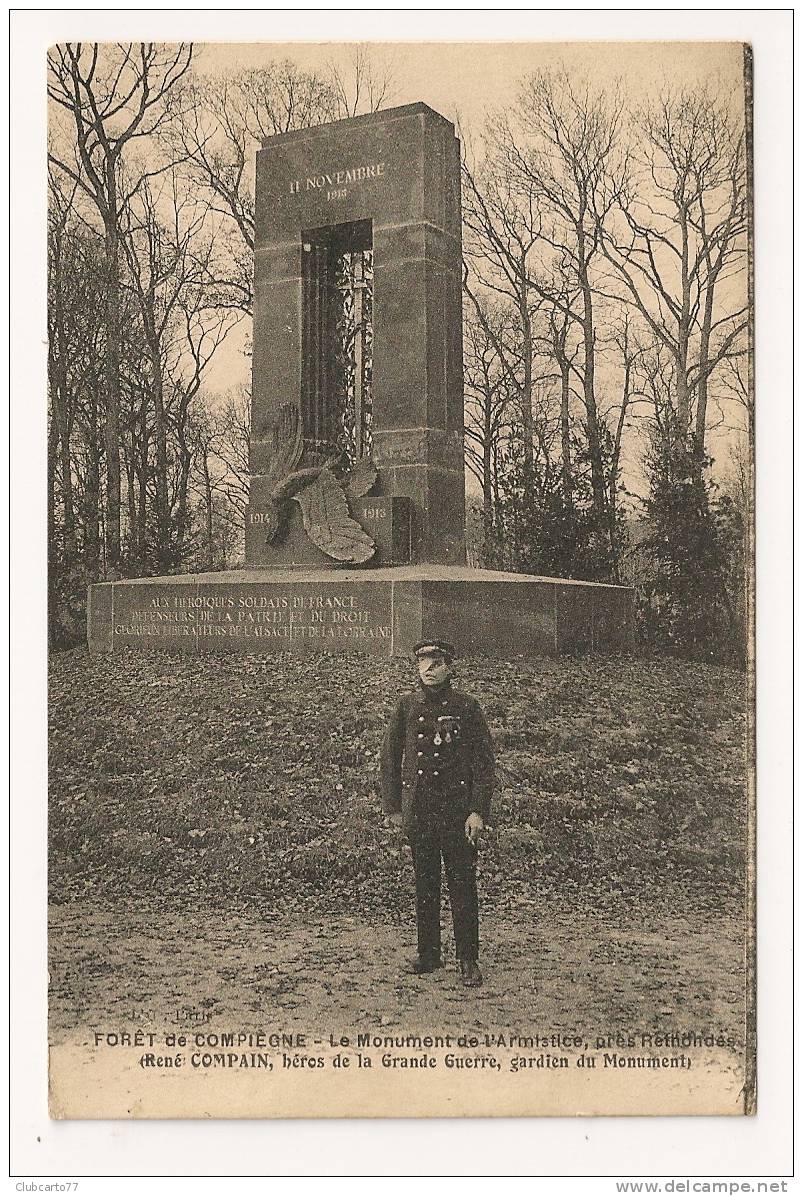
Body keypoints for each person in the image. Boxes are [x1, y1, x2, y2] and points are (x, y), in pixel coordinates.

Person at [380, 637, 495, 987]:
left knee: (462, 884)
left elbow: (483, 762)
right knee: (425, 883)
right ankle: (429, 952)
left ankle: (467, 958)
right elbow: (390, 756)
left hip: (457, 813)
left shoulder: (467, 707)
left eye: (435, 663)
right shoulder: (406, 706)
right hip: (421, 812)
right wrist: (394, 807)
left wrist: (477, 810)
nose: (427, 670)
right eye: (422, 663)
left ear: (450, 666)